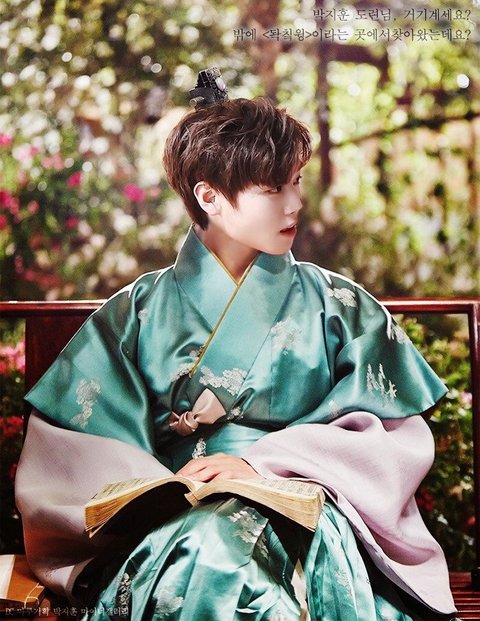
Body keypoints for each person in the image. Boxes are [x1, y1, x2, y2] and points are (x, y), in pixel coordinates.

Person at [16, 68, 457, 620]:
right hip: (174, 516)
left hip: (300, 509)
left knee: (219, 549)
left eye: (296, 181)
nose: (294, 204)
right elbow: (76, 443)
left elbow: (392, 439)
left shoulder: (340, 307)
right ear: (209, 197)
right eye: (274, 189)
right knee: (205, 543)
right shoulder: (136, 312)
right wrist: (162, 485)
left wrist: (264, 466)